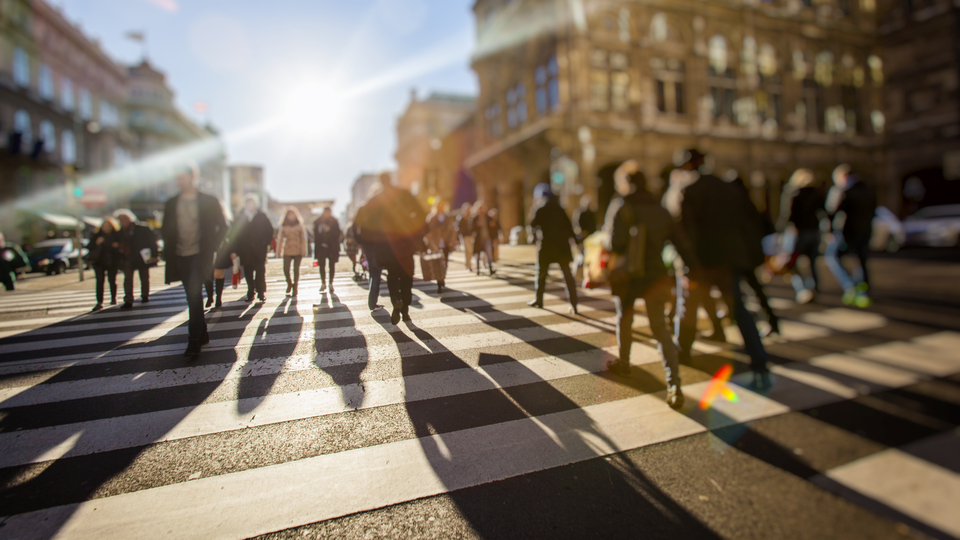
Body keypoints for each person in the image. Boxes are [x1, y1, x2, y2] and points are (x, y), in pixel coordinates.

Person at [603, 162, 698, 408]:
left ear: (625, 183)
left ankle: (624, 362)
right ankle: (674, 383)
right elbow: (680, 241)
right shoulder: (660, 208)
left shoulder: (621, 204)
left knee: (624, 317)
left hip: (629, 275)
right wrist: (691, 269)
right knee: (660, 330)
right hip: (656, 275)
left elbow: (615, 243)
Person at [677, 149, 771, 387]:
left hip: (703, 261)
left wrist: (689, 263)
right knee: (739, 310)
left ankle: (683, 353)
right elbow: (747, 221)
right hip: (730, 259)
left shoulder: (691, 191)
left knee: (688, 308)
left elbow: (686, 231)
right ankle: (759, 360)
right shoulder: (728, 188)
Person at [161, 163, 227, 357]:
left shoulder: (209, 200)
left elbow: (223, 227)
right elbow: (166, 229)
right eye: (177, 177)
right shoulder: (172, 203)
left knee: (194, 296)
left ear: (192, 177)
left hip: (200, 254)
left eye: (182, 177)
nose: (179, 181)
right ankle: (203, 333)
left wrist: (212, 247)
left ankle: (193, 341)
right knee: (193, 296)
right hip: (180, 255)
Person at [359, 173, 426, 324]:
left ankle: (396, 300)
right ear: (391, 179)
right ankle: (406, 311)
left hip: (386, 246)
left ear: (380, 182)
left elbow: (363, 223)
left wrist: (370, 240)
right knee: (406, 277)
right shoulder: (404, 194)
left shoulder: (375, 200)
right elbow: (421, 213)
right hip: (405, 243)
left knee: (393, 276)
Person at [824, 164, 876, 307]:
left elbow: (833, 212)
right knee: (862, 261)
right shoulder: (868, 190)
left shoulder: (844, 191)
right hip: (865, 231)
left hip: (847, 232)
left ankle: (850, 286)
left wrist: (830, 231)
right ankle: (862, 291)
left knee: (831, 256)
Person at [777, 168, 826, 304]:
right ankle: (813, 288)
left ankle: (803, 289)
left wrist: (780, 231)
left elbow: (787, 214)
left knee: (791, 263)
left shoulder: (793, 193)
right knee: (812, 263)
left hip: (797, 232)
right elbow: (823, 212)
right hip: (814, 232)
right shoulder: (817, 193)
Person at [528, 183, 578, 314]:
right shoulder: (560, 208)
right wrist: (576, 242)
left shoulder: (540, 209)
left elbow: (533, 224)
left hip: (546, 246)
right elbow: (569, 227)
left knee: (542, 274)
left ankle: (539, 300)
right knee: (567, 275)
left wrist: (534, 207)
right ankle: (574, 303)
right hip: (562, 247)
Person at [114, 209, 158, 309]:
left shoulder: (142, 227)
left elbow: (152, 241)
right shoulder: (120, 231)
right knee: (128, 279)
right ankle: (128, 299)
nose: (121, 222)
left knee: (144, 277)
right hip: (127, 257)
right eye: (119, 220)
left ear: (128, 218)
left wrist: (154, 255)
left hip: (142, 256)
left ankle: (145, 295)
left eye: (122, 219)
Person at [234, 194, 274, 303]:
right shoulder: (241, 216)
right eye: (248, 203)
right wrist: (237, 249)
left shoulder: (262, 215)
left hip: (259, 249)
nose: (250, 205)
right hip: (245, 250)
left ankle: (261, 292)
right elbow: (235, 234)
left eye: (252, 203)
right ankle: (250, 292)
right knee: (248, 272)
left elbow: (270, 230)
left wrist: (264, 242)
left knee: (260, 271)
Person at [355, 183, 387, 313]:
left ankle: (372, 302)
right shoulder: (382, 208)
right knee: (376, 272)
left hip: (369, 244)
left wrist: (361, 241)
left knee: (374, 271)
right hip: (378, 243)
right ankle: (372, 302)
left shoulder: (363, 207)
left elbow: (354, 226)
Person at [88, 217, 121, 312]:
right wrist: (97, 243)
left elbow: (121, 247)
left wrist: (116, 246)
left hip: (112, 261)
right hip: (98, 261)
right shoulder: (96, 235)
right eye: (104, 225)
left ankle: (113, 298)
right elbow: (89, 246)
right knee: (99, 280)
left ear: (112, 226)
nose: (106, 227)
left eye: (108, 225)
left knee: (112, 280)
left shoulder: (116, 235)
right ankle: (99, 302)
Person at [425, 200, 456, 293]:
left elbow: (453, 229)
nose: (441, 207)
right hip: (435, 243)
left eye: (442, 205)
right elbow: (428, 230)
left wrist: (452, 240)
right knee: (437, 263)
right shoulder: (431, 217)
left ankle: (443, 276)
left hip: (446, 243)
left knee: (445, 261)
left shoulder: (448, 217)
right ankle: (439, 281)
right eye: (439, 206)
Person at [277, 206, 308, 297]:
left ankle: (295, 287)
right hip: (287, 250)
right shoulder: (284, 227)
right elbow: (280, 240)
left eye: (293, 214)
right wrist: (278, 252)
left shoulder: (299, 226)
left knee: (296, 270)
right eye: (289, 215)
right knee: (286, 269)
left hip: (298, 251)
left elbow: (303, 239)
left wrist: (303, 250)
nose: (291, 216)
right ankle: (289, 283)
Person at [313, 206, 341, 293]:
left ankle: (330, 283)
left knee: (331, 265)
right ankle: (323, 283)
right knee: (321, 265)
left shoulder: (334, 221)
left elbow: (338, 233)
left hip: (332, 247)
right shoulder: (317, 221)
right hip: (321, 247)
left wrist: (329, 230)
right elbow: (315, 235)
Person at [472, 202, 496, 275]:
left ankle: (491, 268)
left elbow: (492, 228)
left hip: (487, 238)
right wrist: (477, 225)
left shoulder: (488, 217)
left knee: (489, 253)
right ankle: (478, 269)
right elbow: (472, 228)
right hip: (479, 239)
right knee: (478, 254)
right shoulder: (475, 218)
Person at [456, 202, 474, 271]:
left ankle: (468, 263)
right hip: (465, 236)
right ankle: (468, 264)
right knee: (468, 250)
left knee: (471, 250)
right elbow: (459, 229)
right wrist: (457, 238)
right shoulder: (461, 218)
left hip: (471, 236)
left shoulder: (471, 218)